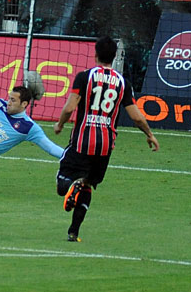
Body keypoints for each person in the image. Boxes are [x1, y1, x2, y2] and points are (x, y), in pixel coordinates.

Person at [53, 36, 160, 242]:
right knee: (89, 185)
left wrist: (60, 124)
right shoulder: (123, 83)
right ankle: (73, 232)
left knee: (62, 184)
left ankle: (70, 184)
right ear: (115, 56)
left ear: (95, 54)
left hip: (83, 140)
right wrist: (150, 134)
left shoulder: (84, 77)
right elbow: (136, 116)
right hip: (105, 145)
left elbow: (70, 107)